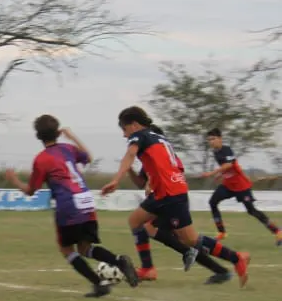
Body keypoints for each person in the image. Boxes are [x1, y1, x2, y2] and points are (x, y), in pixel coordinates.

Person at [101, 107, 250, 286]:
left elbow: (130, 154)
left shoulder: (141, 135)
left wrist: (116, 180)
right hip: (168, 190)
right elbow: (165, 168)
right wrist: (148, 181)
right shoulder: (160, 139)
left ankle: (235, 258)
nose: (125, 135)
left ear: (134, 125)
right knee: (137, 221)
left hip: (170, 193)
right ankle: (149, 268)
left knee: (190, 239)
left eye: (124, 130)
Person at [5, 116, 138, 297]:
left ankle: (99, 284)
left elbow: (30, 190)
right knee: (85, 248)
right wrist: (72, 136)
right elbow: (89, 157)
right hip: (86, 200)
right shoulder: (68, 148)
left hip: (68, 205)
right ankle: (119, 261)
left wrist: (14, 181)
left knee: (66, 249)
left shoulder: (41, 160)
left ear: (38, 136)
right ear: (58, 132)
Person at [202, 128, 282, 246]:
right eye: (209, 140)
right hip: (228, 185)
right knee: (212, 202)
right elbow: (226, 167)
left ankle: (278, 232)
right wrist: (220, 175)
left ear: (220, 139)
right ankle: (222, 232)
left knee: (251, 211)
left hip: (241, 186)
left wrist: (212, 173)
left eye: (213, 139)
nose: (211, 142)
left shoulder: (227, 149)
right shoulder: (215, 152)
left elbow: (229, 164)